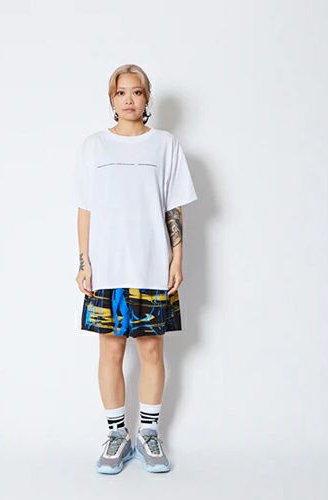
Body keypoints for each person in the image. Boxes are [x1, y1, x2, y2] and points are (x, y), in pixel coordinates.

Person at [74, 64, 198, 474]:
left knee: (151, 350)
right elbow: (85, 208)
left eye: (137, 92)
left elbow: (173, 205)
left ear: (147, 98)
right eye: (121, 92)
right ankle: (116, 436)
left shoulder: (165, 144)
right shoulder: (95, 146)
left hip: (151, 265)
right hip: (107, 267)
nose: (129, 99)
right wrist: (83, 261)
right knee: (110, 351)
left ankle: (148, 433)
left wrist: (177, 257)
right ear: (112, 99)